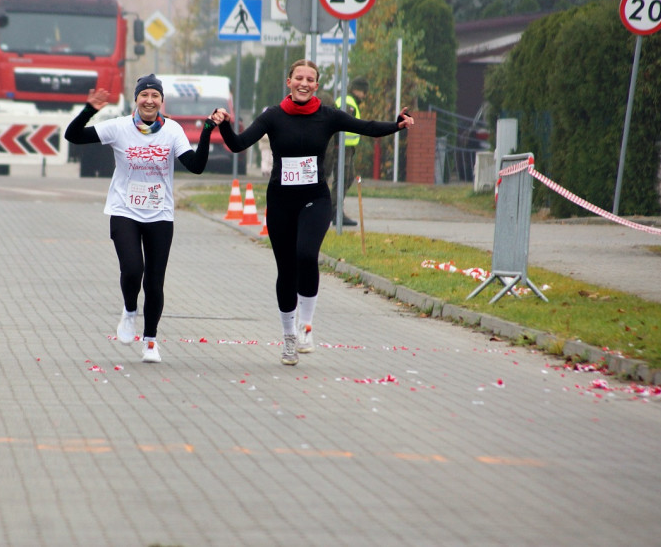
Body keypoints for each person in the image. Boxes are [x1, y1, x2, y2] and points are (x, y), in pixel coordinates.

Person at [211, 59, 414, 366]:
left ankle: (307, 328)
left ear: (317, 85)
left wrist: (396, 125)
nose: (304, 83)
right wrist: (223, 124)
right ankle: (289, 337)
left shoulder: (327, 115)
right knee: (286, 270)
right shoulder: (273, 117)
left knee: (306, 255)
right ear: (289, 82)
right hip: (280, 201)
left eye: (310, 79)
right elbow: (238, 144)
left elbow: (366, 127)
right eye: (299, 78)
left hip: (315, 199)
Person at [64, 74, 215, 363]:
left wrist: (207, 130)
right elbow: (73, 136)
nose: (149, 100)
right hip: (124, 210)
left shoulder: (172, 130)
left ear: (161, 101)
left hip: (159, 213)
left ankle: (150, 342)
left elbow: (195, 166)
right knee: (133, 269)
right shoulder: (119, 127)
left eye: (154, 96)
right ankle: (130, 310)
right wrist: (89, 110)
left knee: (155, 281)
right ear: (136, 100)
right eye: (144, 95)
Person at [323, 77, 369, 227]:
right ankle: (334, 211)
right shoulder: (348, 102)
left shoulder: (349, 101)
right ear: (358, 89)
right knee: (342, 178)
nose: (365, 96)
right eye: (364, 92)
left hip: (346, 149)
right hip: (340, 148)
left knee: (347, 178)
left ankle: (333, 210)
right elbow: (343, 125)